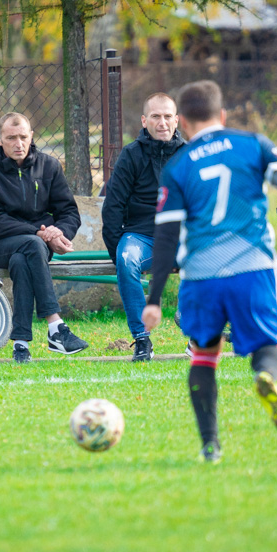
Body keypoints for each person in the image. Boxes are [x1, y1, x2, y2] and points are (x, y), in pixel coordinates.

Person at [141, 80, 277, 464]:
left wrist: (153, 300)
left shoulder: (178, 166)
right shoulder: (253, 144)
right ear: (222, 115)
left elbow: (165, 236)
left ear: (182, 123)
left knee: (203, 356)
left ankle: (210, 445)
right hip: (250, 268)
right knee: (267, 344)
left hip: (200, 277)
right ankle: (263, 376)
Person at [0, 112, 88, 364]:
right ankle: (55, 325)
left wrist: (59, 233)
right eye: (11, 138)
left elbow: (68, 212)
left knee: (24, 259)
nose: (18, 143)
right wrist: (39, 233)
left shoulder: (49, 166)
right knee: (32, 245)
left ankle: (20, 343)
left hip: (36, 246)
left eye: (23, 137)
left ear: (31, 136)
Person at [101, 93, 184, 361]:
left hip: (182, 238)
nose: (162, 122)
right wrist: (117, 253)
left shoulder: (190, 154)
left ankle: (189, 317)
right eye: (156, 116)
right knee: (126, 259)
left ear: (177, 120)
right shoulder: (130, 155)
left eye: (167, 116)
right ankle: (142, 339)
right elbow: (113, 207)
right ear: (144, 120)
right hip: (142, 237)